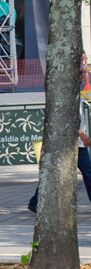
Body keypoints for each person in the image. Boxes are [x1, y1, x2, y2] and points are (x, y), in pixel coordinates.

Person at [28, 70, 91, 212]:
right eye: (79, 77)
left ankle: (35, 201)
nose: (81, 80)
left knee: (56, 172)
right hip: (69, 142)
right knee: (57, 172)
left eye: (82, 78)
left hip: (75, 143)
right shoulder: (67, 95)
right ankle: (35, 201)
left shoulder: (75, 94)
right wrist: (81, 134)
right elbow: (66, 118)